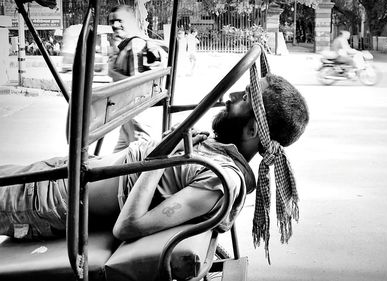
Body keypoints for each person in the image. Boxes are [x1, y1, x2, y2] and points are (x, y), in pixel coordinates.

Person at [0, 74, 309, 260]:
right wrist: (168, 145)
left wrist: (165, 153)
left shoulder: (220, 181)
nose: (232, 97)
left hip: (46, 200)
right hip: (60, 175)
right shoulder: (218, 155)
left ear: (253, 131)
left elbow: (128, 226)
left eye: (244, 98)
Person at [107, 5, 167, 153]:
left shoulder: (136, 44)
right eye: (112, 22)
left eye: (120, 20)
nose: (115, 25)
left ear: (132, 21)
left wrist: (113, 72)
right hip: (128, 113)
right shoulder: (126, 45)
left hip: (136, 112)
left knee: (141, 156)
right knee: (119, 156)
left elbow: (137, 84)